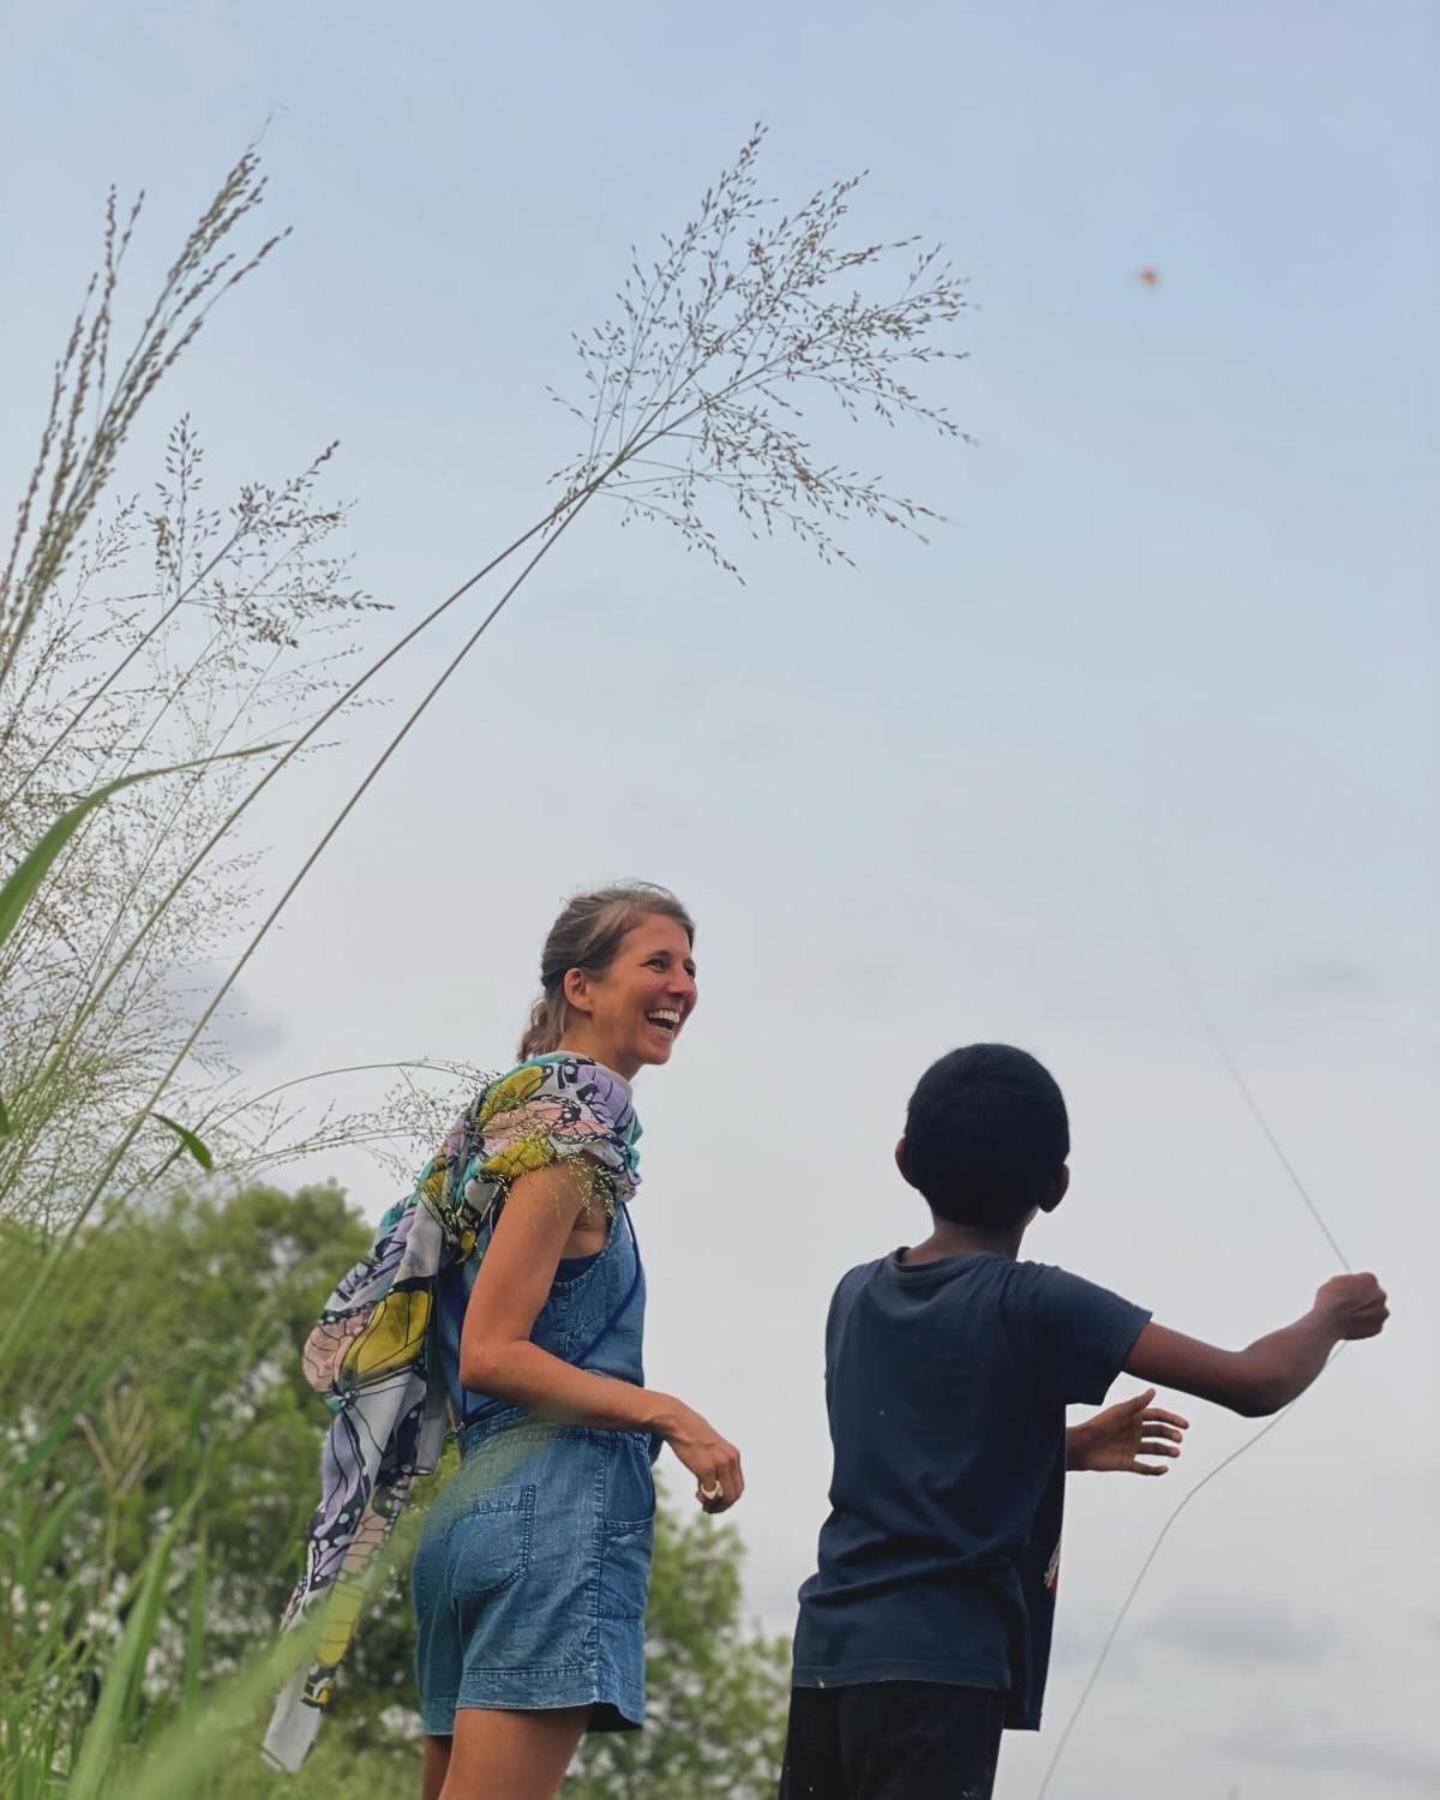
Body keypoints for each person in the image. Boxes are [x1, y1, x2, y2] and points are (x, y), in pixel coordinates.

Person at [780, 1043, 1388, 1800]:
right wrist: (1331, 1315)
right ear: (1056, 1186)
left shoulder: (856, 1292)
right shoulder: (1034, 1301)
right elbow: (1255, 1382)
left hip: (830, 1656)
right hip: (942, 1667)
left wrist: (1057, 1450)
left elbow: (911, 1448)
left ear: (904, 1160)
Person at [263, 884, 743, 1798]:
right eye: (657, 962)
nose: (682, 983)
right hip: (551, 1516)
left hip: (469, 1518)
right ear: (583, 986)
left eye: (689, 966)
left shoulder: (506, 1137)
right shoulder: (567, 1139)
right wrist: (668, 1412)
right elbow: (492, 1352)